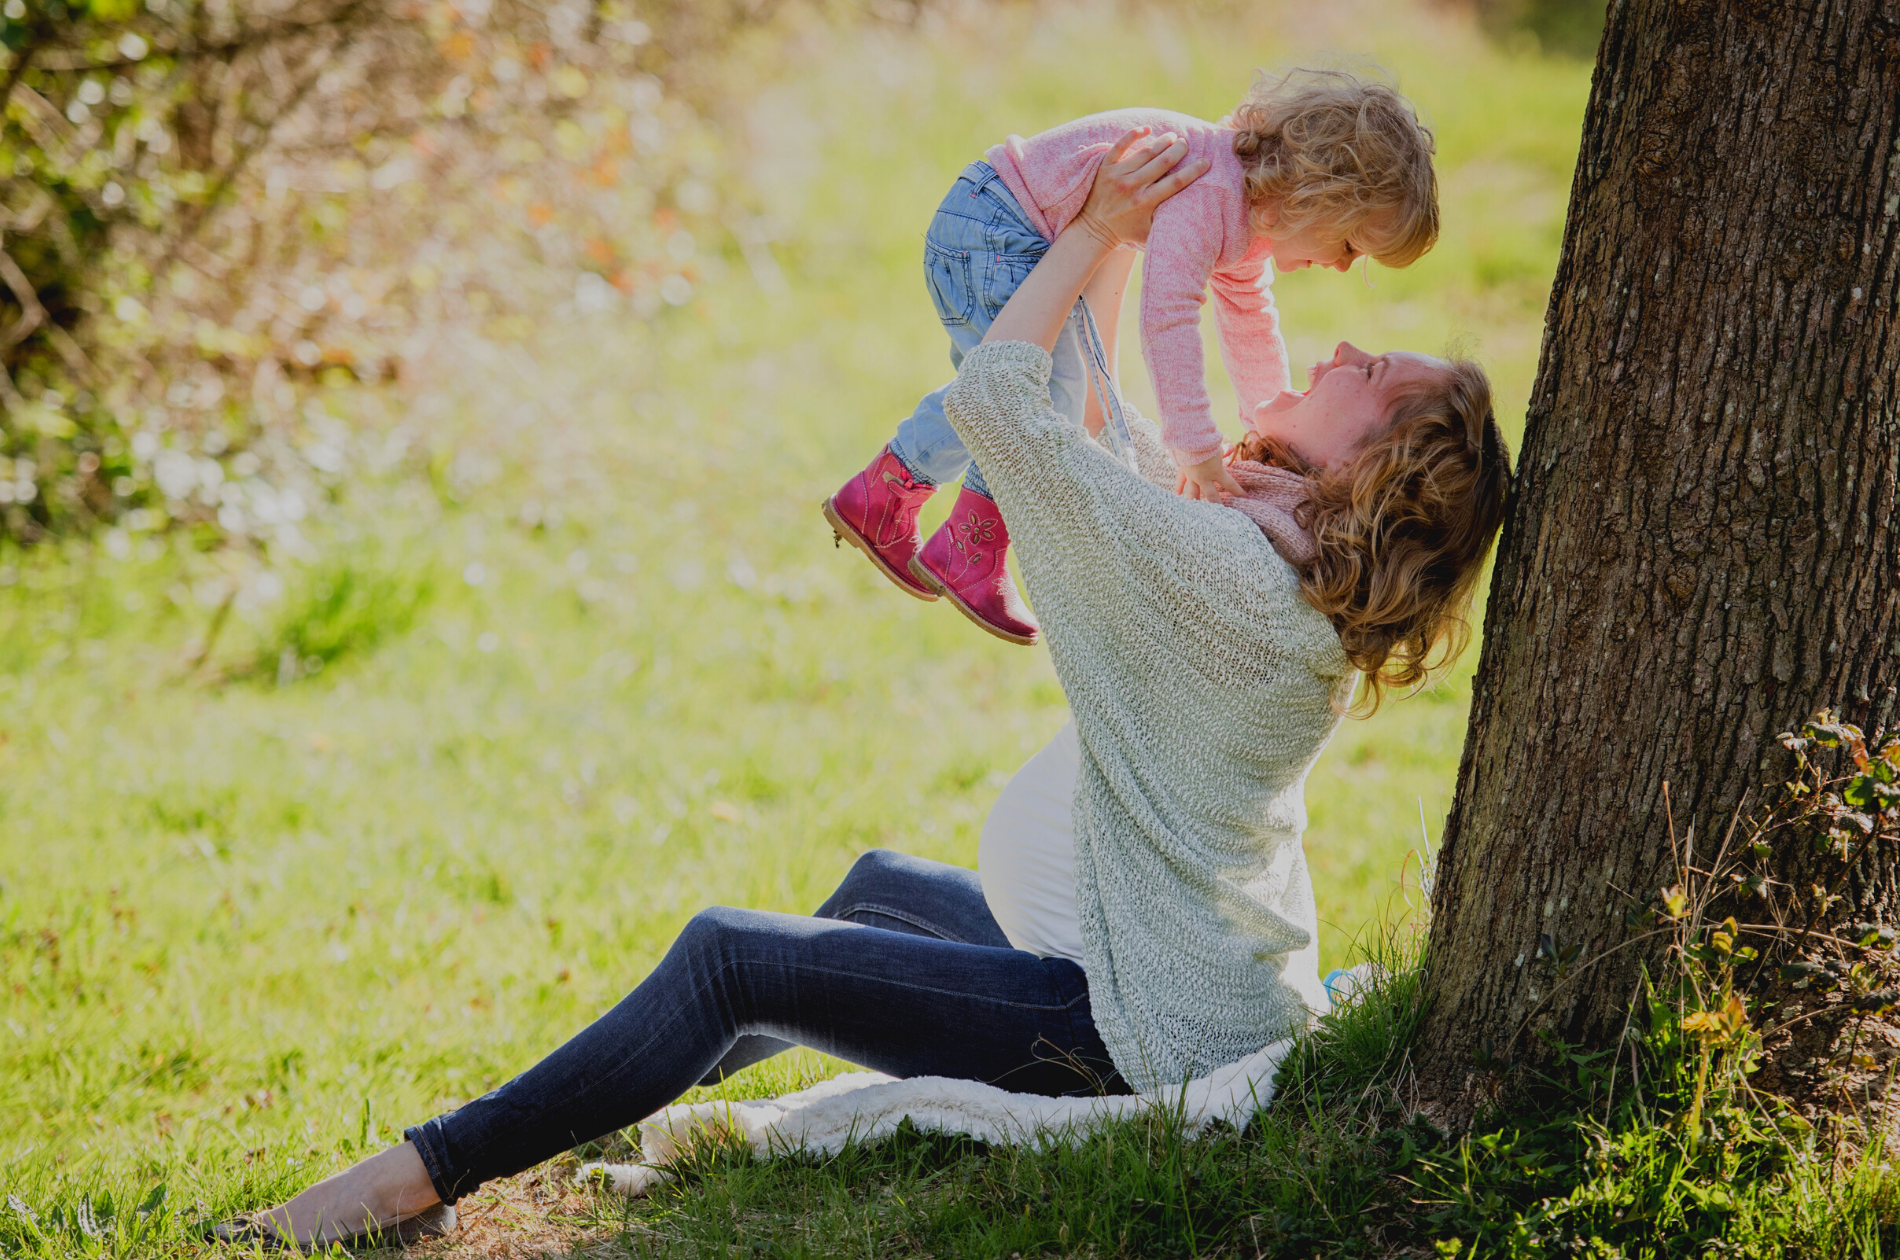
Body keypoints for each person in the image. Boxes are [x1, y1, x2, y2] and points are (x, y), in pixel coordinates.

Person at [217, 128, 1507, 1251]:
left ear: (1375, 471)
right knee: (875, 891)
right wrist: (1120, 244)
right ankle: (579, 1105)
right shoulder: (1275, 566)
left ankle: (417, 1177)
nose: (1342, 343)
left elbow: (1005, 402)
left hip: (1130, 1027)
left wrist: (1100, 232)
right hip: (1165, 969)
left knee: (733, 955)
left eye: (1375, 374)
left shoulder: (1226, 575)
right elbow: (1109, 441)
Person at [824, 68, 1439, 645]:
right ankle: (966, 542)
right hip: (995, 228)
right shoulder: (1214, 192)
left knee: (1028, 387)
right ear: (1317, 193)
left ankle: (888, 496)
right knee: (1032, 392)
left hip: (1003, 224)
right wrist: (1196, 448)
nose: (1339, 265)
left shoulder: (1248, 216)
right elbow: (1167, 316)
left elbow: (1250, 323)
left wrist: (1264, 428)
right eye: (1351, 244)